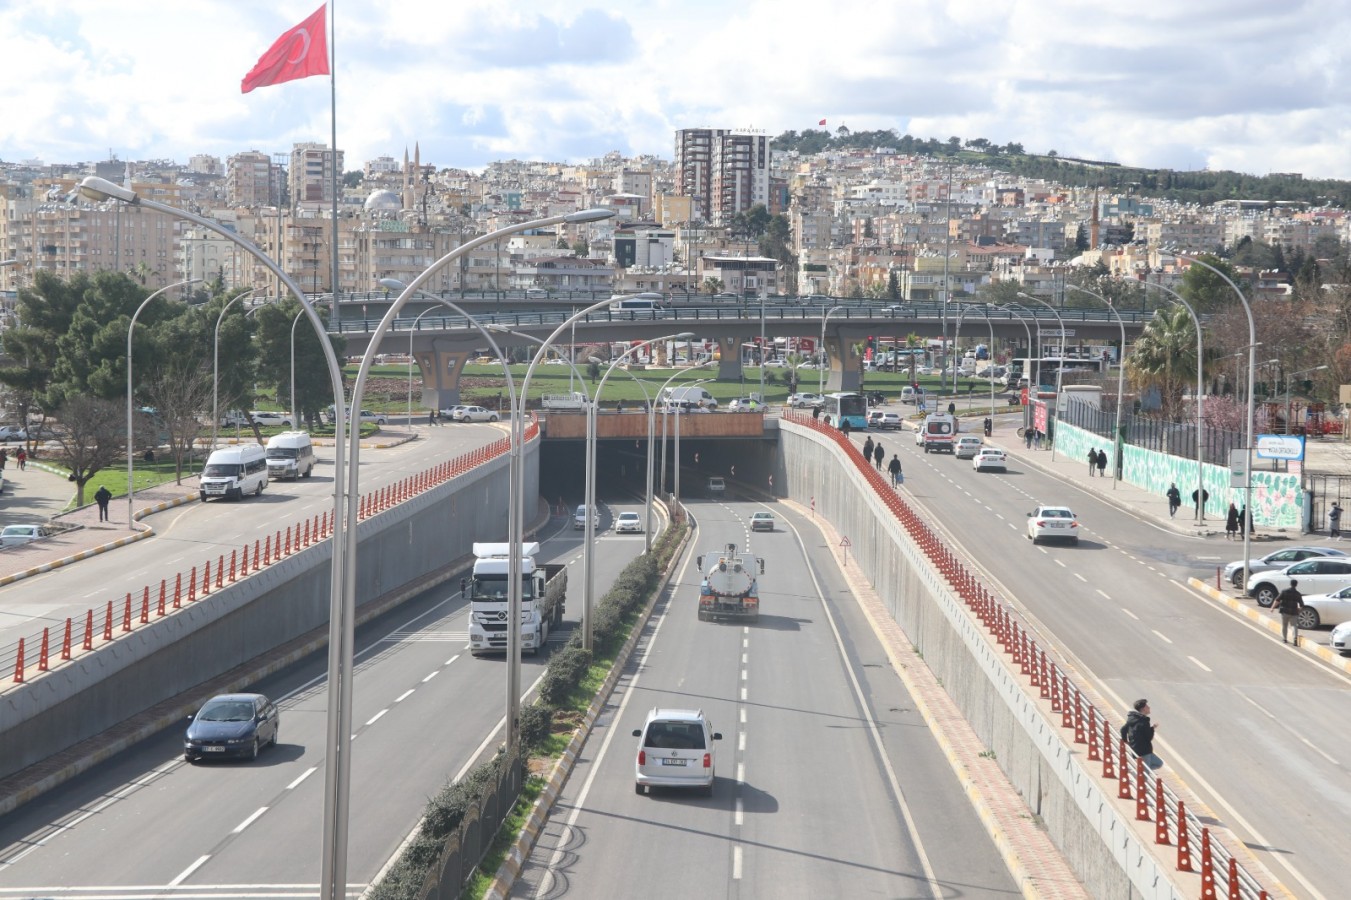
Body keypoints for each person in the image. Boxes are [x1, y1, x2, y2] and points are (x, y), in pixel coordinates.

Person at [1121, 699, 1162, 770]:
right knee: (1146, 772)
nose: (1149, 707)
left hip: (1137, 748)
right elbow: (1149, 737)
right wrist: (1152, 729)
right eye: (1147, 706)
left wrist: (1125, 741)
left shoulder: (1133, 718)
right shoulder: (1144, 722)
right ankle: (1139, 773)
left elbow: (1123, 730)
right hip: (1143, 751)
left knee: (1159, 763)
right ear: (1143, 709)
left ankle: (1139, 771)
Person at [1274, 579, 1306, 644]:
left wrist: (1272, 607)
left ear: (1290, 584)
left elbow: (1277, 600)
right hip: (1294, 612)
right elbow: (1301, 605)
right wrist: (1299, 610)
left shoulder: (1284, 591)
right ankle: (1295, 639)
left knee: (1284, 625)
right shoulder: (1298, 594)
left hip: (1284, 611)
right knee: (1294, 625)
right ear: (1296, 585)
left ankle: (1284, 639)